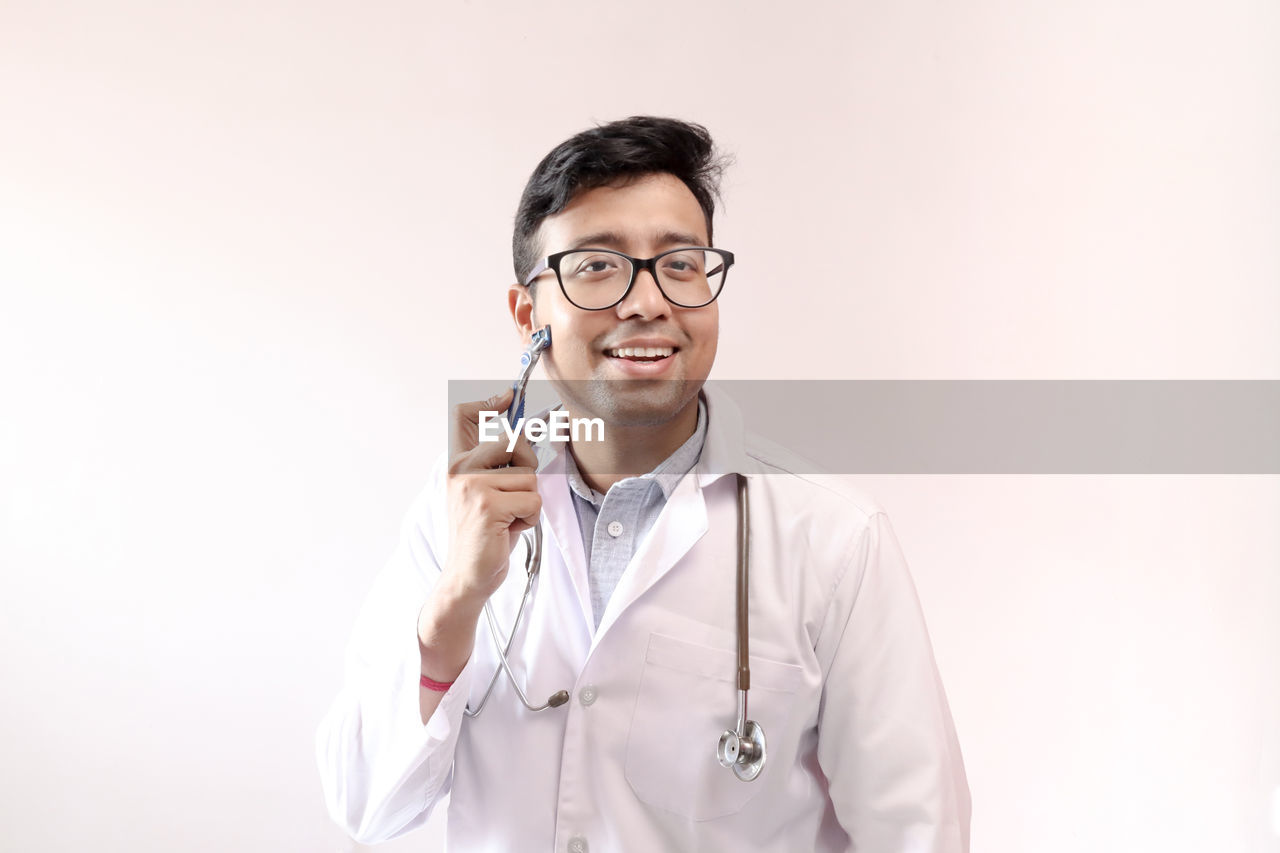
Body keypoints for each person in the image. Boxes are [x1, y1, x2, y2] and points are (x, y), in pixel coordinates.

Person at [316, 116, 971, 852]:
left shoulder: (834, 541)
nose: (647, 300)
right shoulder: (454, 522)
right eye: (597, 265)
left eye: (680, 263)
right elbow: (362, 804)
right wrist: (451, 613)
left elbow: (918, 833)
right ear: (528, 313)